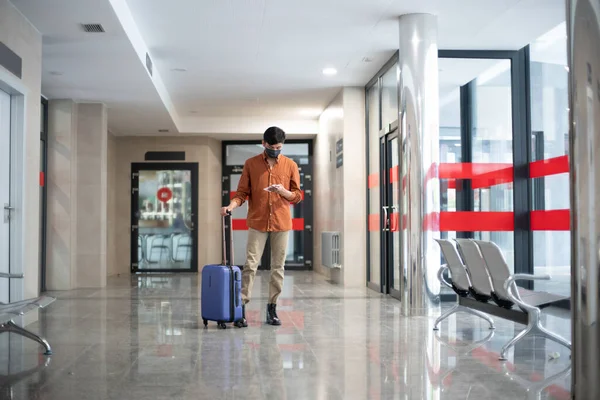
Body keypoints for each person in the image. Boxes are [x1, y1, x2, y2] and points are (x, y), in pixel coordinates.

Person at [220, 126, 302, 327]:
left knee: (278, 267)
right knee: (250, 265)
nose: (276, 150)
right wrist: (230, 205)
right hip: (258, 221)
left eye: (279, 147)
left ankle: (272, 308)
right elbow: (241, 194)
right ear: (264, 144)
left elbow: (297, 196)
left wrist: (284, 192)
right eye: (272, 146)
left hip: (281, 223)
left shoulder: (290, 165)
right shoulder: (251, 164)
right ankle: (241, 307)